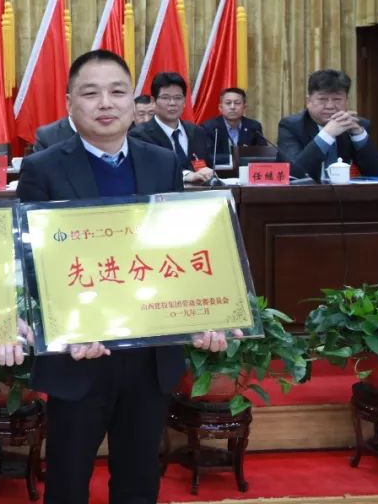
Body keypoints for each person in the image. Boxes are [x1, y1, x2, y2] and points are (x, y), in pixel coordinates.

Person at [17, 49, 229, 504]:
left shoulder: (162, 162)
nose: (105, 103)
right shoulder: (43, 167)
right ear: (70, 103)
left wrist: (204, 313)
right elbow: (31, 262)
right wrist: (65, 327)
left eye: (117, 92)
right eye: (90, 93)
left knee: (138, 480)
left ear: (134, 103)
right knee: (68, 480)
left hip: (149, 353)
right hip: (80, 354)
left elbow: (177, 250)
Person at [277, 69, 378, 182]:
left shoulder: (359, 125)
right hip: (308, 192)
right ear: (308, 101)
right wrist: (327, 134)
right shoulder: (291, 126)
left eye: (337, 99)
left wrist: (358, 135)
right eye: (322, 99)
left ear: (346, 101)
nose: (330, 106)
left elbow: (376, 173)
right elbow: (294, 173)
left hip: (346, 192)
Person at [129, 72, 215, 184]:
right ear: (154, 102)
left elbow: (202, 164)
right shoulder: (140, 135)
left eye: (178, 98)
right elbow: (149, 171)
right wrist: (186, 175)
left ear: (184, 101)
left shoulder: (197, 132)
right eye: (165, 98)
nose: (172, 103)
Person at [201, 88, 268, 151]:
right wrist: (234, 156)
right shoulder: (209, 128)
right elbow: (207, 155)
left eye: (237, 103)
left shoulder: (253, 127)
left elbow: (262, 153)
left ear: (244, 107)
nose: (232, 107)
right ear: (220, 108)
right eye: (228, 103)